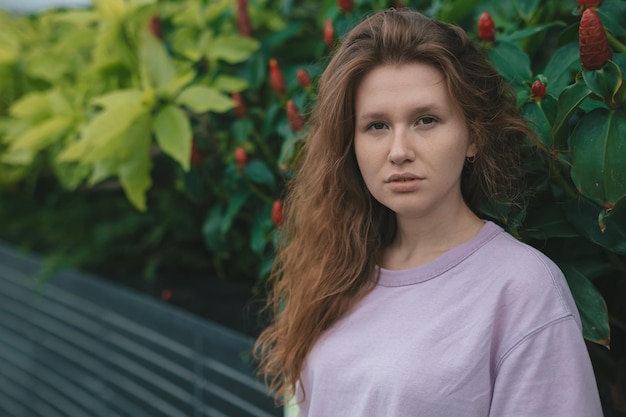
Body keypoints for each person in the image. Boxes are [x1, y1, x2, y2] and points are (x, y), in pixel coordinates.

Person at [255, 8, 603, 417]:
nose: (399, 151)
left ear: (473, 135)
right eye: (376, 126)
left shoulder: (523, 289)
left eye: (426, 120)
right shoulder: (338, 269)